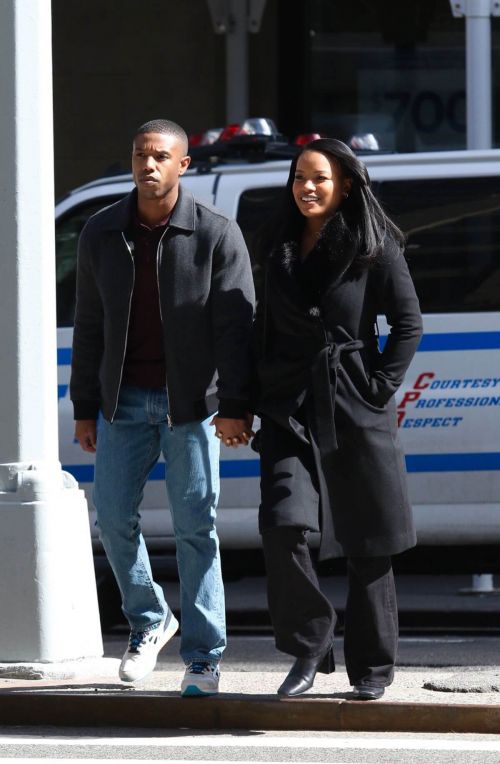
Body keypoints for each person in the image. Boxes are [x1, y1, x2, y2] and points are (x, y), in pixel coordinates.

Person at [70, 118, 255, 696]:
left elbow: (236, 327)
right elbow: (90, 323)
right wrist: (84, 404)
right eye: (139, 155)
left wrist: (234, 405)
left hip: (192, 405)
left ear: (183, 165)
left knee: (196, 528)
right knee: (113, 518)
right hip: (122, 401)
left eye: (158, 156)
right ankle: (151, 619)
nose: (147, 165)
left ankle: (203, 657)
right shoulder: (103, 232)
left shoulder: (216, 233)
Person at [253, 138, 423, 700]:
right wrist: (243, 400)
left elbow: (407, 324)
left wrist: (377, 387)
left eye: (319, 178)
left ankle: (372, 669)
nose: (306, 186)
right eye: (299, 176)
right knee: (284, 524)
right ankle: (309, 645)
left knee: (366, 538)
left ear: (344, 184)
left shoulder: (375, 246)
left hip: (353, 402)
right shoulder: (277, 243)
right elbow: (263, 329)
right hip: (288, 407)